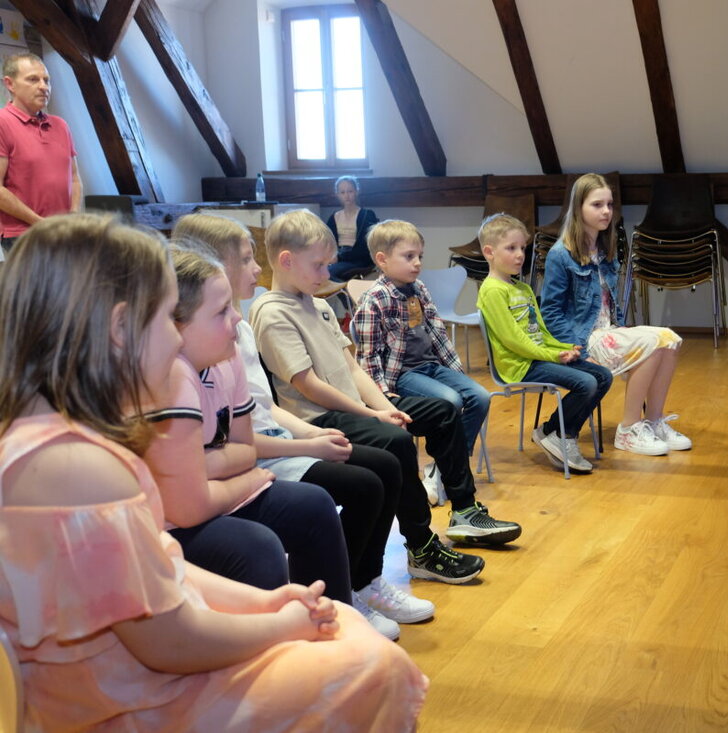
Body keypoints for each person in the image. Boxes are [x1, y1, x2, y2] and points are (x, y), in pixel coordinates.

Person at [0, 213, 426, 731]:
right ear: (118, 329)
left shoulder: (62, 441)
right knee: (370, 667)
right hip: (117, 699)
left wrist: (266, 602)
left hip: (133, 667)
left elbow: (158, 568)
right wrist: (279, 626)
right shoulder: (77, 470)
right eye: (163, 318)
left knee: (353, 643)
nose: (177, 340)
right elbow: (166, 642)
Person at [172, 213, 435, 639]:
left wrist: (312, 435)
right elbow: (224, 447)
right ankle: (340, 599)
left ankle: (362, 583)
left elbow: (259, 413)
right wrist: (309, 442)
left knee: (389, 458)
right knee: (362, 481)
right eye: (246, 258)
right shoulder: (228, 336)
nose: (257, 268)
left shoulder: (235, 331)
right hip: (263, 454)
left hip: (270, 444)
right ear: (216, 267)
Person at [249, 209, 520, 584]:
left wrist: (388, 408)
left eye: (329, 264)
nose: (328, 275)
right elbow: (309, 386)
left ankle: (465, 510)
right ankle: (421, 547)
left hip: (354, 408)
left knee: (442, 411)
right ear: (286, 261)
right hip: (319, 418)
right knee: (395, 441)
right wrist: (372, 416)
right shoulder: (272, 312)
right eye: (319, 266)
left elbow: (355, 370)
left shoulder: (320, 305)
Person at [145, 246, 378, 635]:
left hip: (211, 493)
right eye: (221, 311)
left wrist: (215, 463)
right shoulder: (174, 375)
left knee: (314, 505)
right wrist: (249, 477)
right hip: (171, 519)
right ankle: (276, 652)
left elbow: (246, 446)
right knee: (257, 546)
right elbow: (188, 507)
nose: (237, 318)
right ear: (178, 324)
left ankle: (330, 628)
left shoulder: (228, 353)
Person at [540, 173, 692, 457]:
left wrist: (623, 330)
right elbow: (550, 312)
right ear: (579, 208)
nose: (606, 211)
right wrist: (575, 350)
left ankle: (655, 421)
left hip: (607, 332)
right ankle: (628, 428)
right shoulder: (560, 255)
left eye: (609, 204)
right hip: (583, 340)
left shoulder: (605, 249)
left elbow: (611, 306)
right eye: (597, 205)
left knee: (670, 339)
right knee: (652, 341)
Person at [352, 218, 491, 504]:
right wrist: (382, 393)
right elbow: (367, 355)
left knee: (480, 396)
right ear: (383, 260)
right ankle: (451, 470)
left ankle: (441, 469)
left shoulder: (419, 289)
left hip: (432, 367)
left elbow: (438, 334)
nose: (417, 263)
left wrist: (457, 372)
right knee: (450, 402)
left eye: (419, 256)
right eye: (408, 257)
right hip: (402, 375)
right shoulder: (375, 300)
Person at [476, 213, 613, 473]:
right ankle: (557, 433)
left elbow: (541, 333)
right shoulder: (492, 290)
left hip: (538, 357)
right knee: (586, 383)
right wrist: (552, 356)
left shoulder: (524, 289)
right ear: (489, 252)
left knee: (603, 375)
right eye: (511, 248)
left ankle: (557, 434)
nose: (520, 255)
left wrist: (562, 349)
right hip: (520, 365)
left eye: (522, 248)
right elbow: (512, 340)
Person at [0, 53, 80, 254]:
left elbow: (75, 178)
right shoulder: (2, 123)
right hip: (23, 235)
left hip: (64, 232)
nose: (44, 86)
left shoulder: (61, 125)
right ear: (10, 84)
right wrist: (41, 223)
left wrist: (74, 217)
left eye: (47, 80)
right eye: (33, 79)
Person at [325, 175, 378, 281]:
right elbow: (327, 240)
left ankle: (347, 295)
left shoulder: (367, 215)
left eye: (350, 191)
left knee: (327, 273)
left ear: (356, 192)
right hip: (338, 257)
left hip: (359, 259)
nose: (346, 196)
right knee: (315, 271)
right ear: (337, 195)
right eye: (342, 192)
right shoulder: (334, 217)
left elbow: (365, 247)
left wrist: (339, 257)